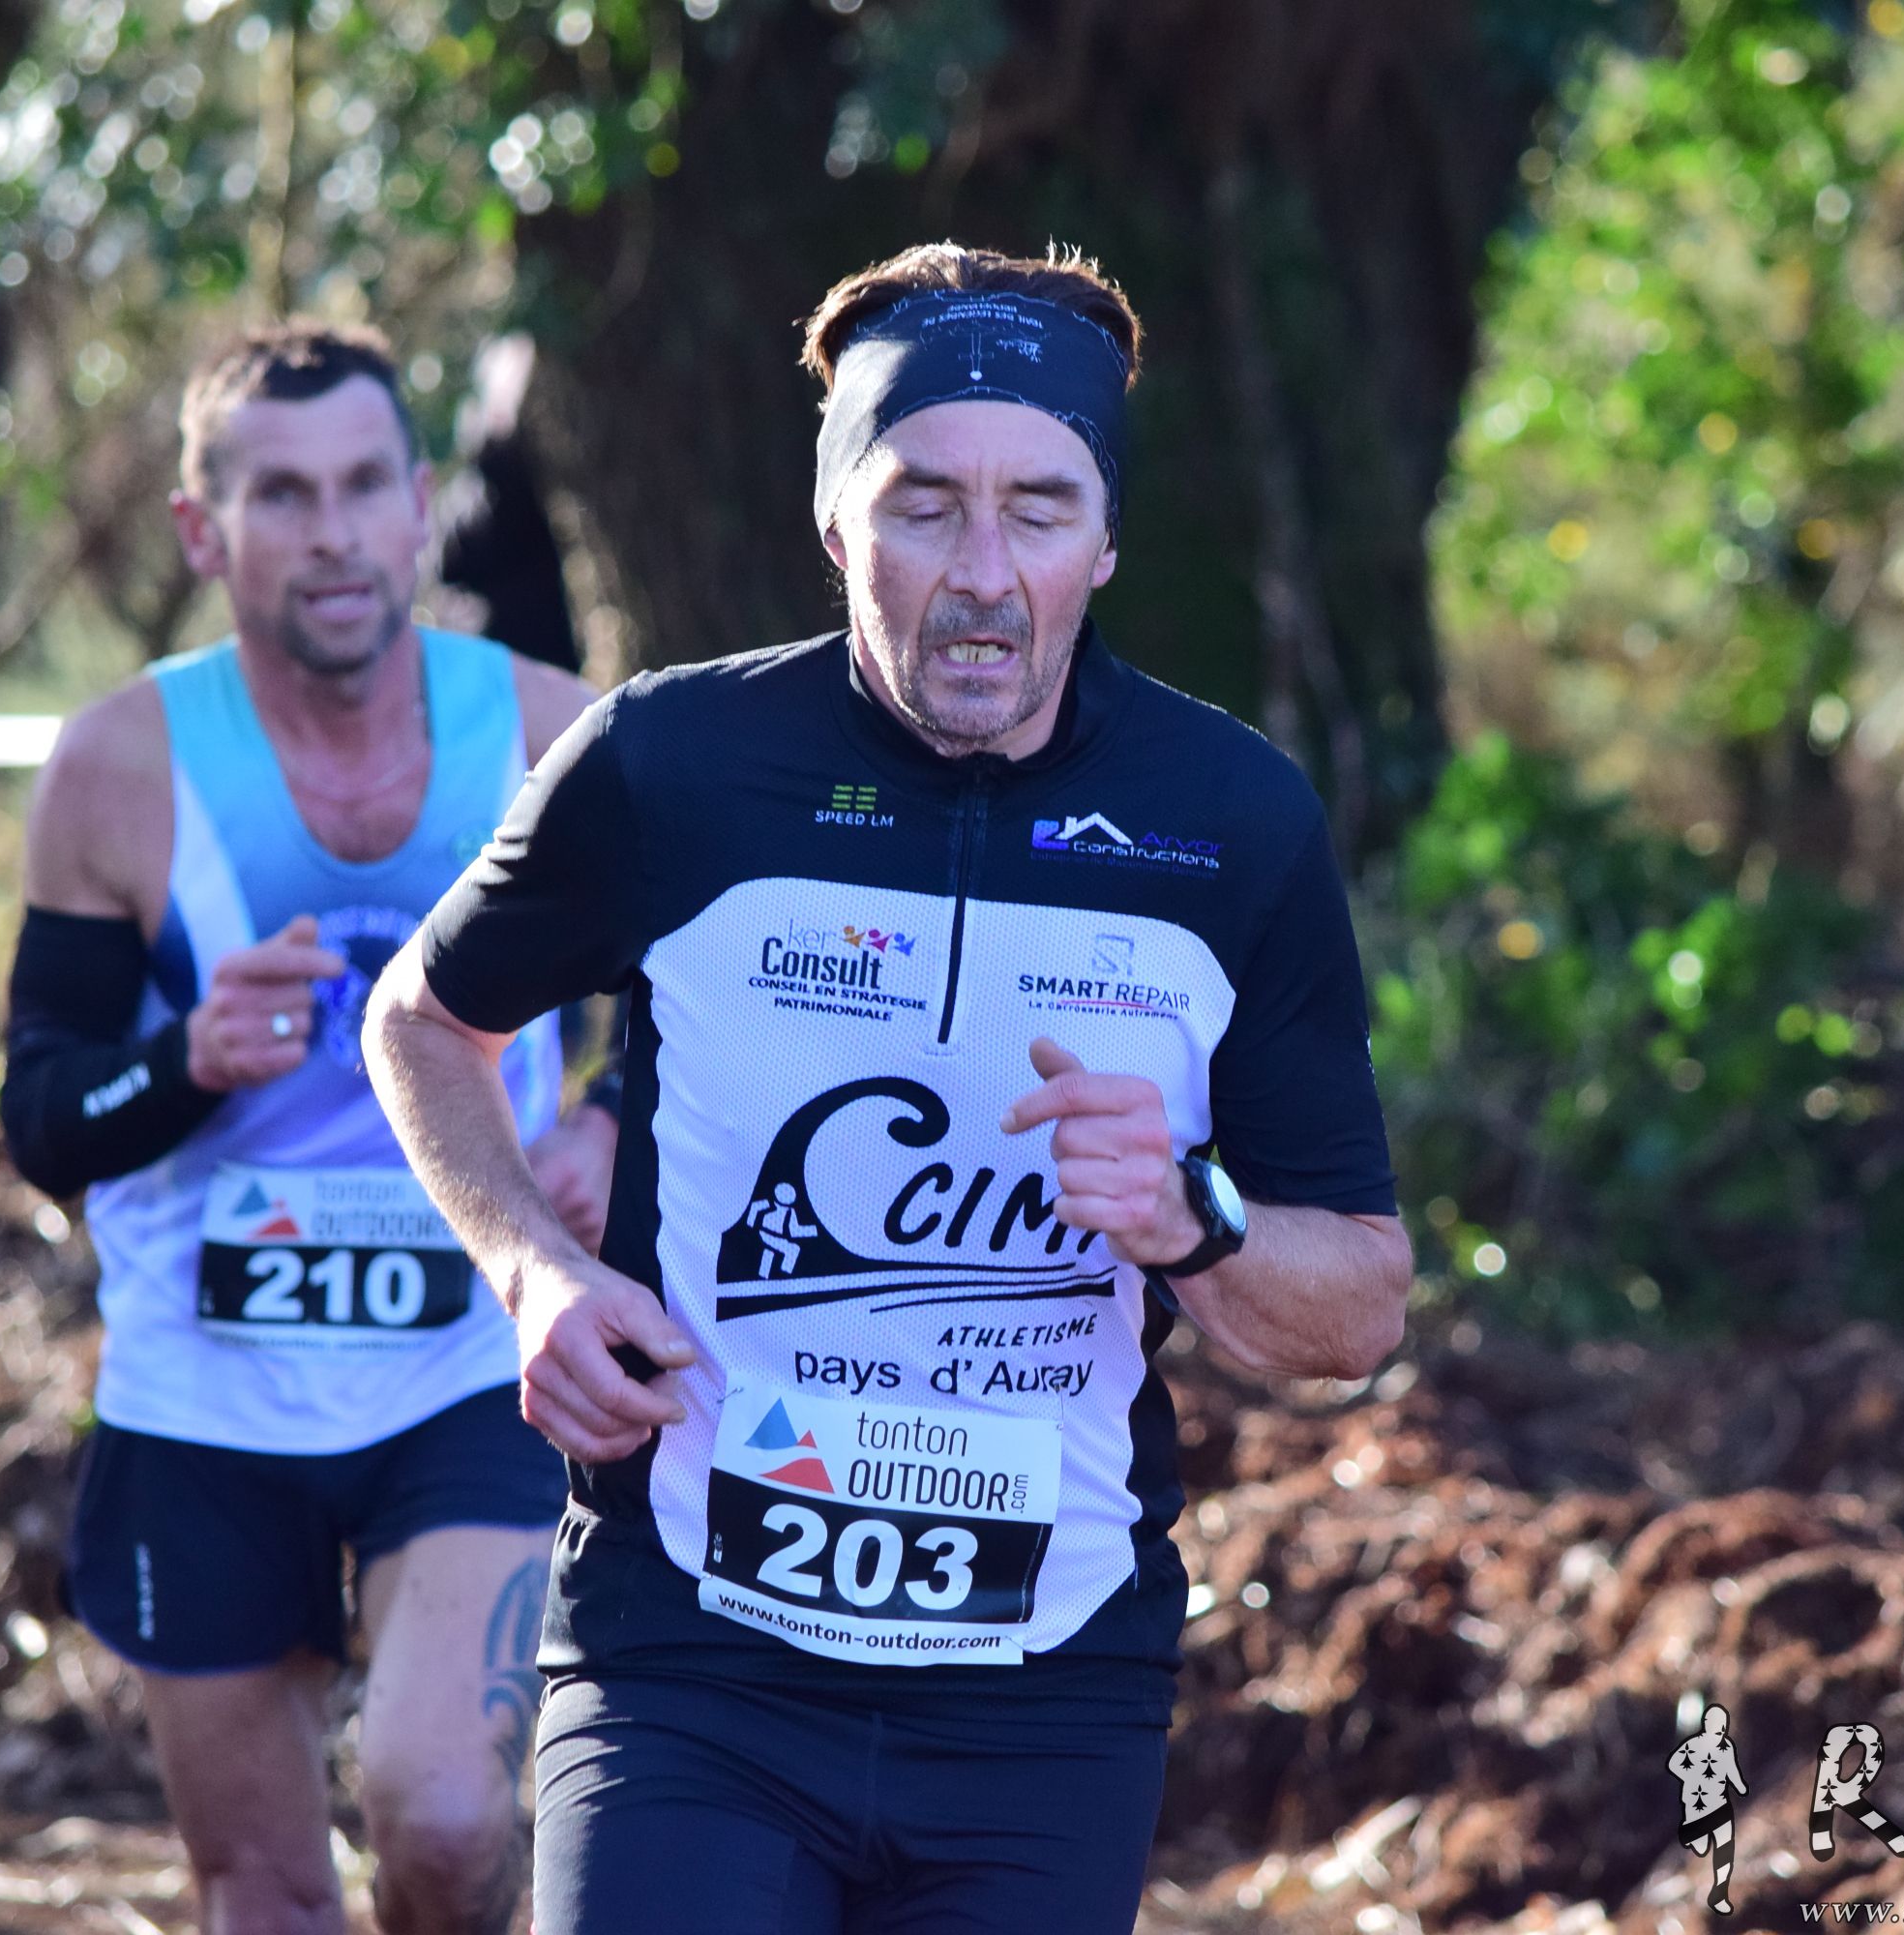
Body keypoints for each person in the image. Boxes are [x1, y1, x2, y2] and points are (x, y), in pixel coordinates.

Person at [363, 241, 1413, 1933]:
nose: (984, 575)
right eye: (924, 505)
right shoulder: (670, 763)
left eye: (1040, 510)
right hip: (691, 1657)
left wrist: (1190, 1215)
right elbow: (422, 1022)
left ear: (1108, 539)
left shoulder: (1233, 824)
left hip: (1044, 1692)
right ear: (837, 521)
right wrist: (532, 1272)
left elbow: (1358, 1306)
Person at [0, 319, 616, 1935]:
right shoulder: (118, 767)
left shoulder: (554, 733)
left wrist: (613, 1118)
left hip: (471, 1360)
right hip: (206, 1390)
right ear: (203, 531)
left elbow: (712, 999)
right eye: (281, 495)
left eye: (360, 487)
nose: (331, 533)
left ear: (419, 505)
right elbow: (45, 1114)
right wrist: (187, 1061)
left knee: (449, 1819)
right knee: (262, 1894)